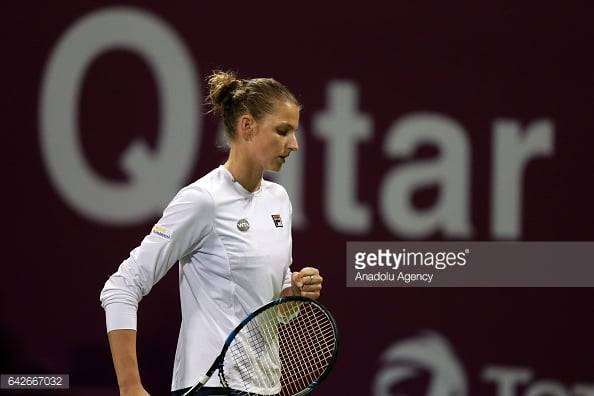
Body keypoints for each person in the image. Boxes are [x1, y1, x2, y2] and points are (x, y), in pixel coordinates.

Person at [100, 70, 323, 396]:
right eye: (282, 131)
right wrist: (130, 386)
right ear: (247, 127)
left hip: (267, 388)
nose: (294, 144)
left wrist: (295, 293)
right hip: (213, 386)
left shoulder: (279, 201)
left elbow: (272, 308)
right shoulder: (202, 200)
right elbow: (121, 287)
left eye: (294, 132)